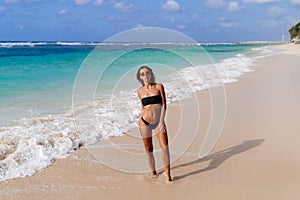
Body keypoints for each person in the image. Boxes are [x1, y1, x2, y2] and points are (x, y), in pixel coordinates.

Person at [136, 66, 172, 183]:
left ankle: (168, 174)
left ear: (151, 74)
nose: (145, 76)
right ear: (139, 77)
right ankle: (153, 172)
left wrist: (161, 121)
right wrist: (141, 120)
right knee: (148, 148)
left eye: (147, 73)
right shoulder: (139, 91)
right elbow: (143, 107)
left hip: (158, 122)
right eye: (142, 74)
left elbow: (164, 105)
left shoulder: (159, 86)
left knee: (165, 147)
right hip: (144, 122)